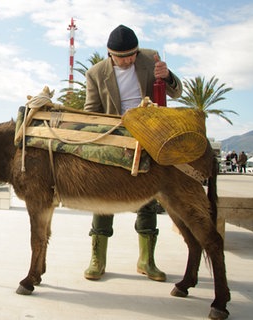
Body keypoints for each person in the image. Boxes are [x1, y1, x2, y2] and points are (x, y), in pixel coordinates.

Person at [82, 24, 183, 281]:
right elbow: (92, 111)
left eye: (132, 55)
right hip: (114, 138)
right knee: (103, 197)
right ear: (109, 54)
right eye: (122, 57)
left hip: (149, 134)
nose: (128, 60)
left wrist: (168, 75)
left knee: (148, 196)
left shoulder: (151, 58)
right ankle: (98, 258)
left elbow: (175, 91)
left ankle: (146, 260)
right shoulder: (96, 73)